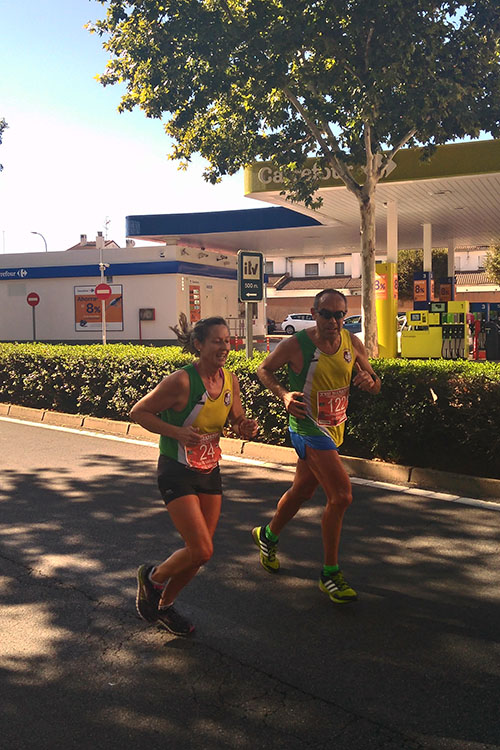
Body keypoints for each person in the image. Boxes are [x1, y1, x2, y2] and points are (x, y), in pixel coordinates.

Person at [131, 313, 258, 635]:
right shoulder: (182, 381)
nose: (224, 347)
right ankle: (152, 577)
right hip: (176, 470)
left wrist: (243, 426)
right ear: (198, 345)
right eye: (217, 341)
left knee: (199, 555)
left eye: (227, 341)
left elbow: (235, 418)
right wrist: (175, 432)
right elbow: (139, 412)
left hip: (209, 469)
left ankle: (164, 607)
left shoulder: (230, 380)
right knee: (201, 549)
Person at [253, 289, 380, 604]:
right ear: (314, 313)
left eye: (340, 315)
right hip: (307, 427)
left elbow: (375, 381)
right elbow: (263, 370)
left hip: (334, 429)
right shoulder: (296, 345)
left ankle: (267, 536)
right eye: (327, 314)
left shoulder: (352, 343)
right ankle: (329, 573)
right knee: (341, 496)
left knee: (303, 491)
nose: (334, 321)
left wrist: (370, 383)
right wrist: (283, 395)